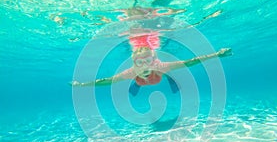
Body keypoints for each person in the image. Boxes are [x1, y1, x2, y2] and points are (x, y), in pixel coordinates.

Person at [71, 31, 233, 96]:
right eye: (140, 62)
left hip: (160, 75)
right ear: (134, 62)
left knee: (165, 72)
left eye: (149, 61)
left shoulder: (159, 66)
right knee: (139, 80)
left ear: (154, 59)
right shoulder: (131, 72)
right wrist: (82, 85)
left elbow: (191, 62)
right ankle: (137, 86)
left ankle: (170, 79)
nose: (146, 65)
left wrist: (217, 54)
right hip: (139, 80)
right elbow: (106, 81)